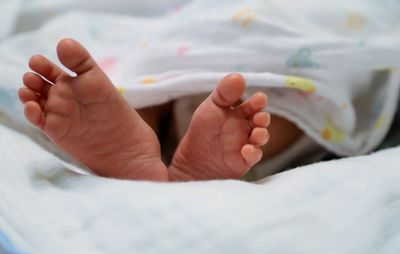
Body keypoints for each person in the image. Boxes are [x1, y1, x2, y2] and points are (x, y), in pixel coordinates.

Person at [19, 38, 304, 181]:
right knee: (285, 107)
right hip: (270, 60)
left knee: (155, 81)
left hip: (192, 52)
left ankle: (141, 127)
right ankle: (215, 153)